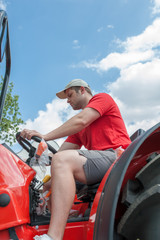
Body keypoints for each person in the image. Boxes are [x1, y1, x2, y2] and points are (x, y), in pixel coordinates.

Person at [20, 79, 131, 240]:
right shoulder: (79, 130)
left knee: (62, 161)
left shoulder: (102, 99)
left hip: (118, 158)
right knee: (48, 184)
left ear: (82, 90)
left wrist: (44, 136)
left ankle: (54, 236)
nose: (67, 101)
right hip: (101, 164)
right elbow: (58, 153)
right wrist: (35, 156)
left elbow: (81, 121)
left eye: (70, 95)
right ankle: (65, 220)